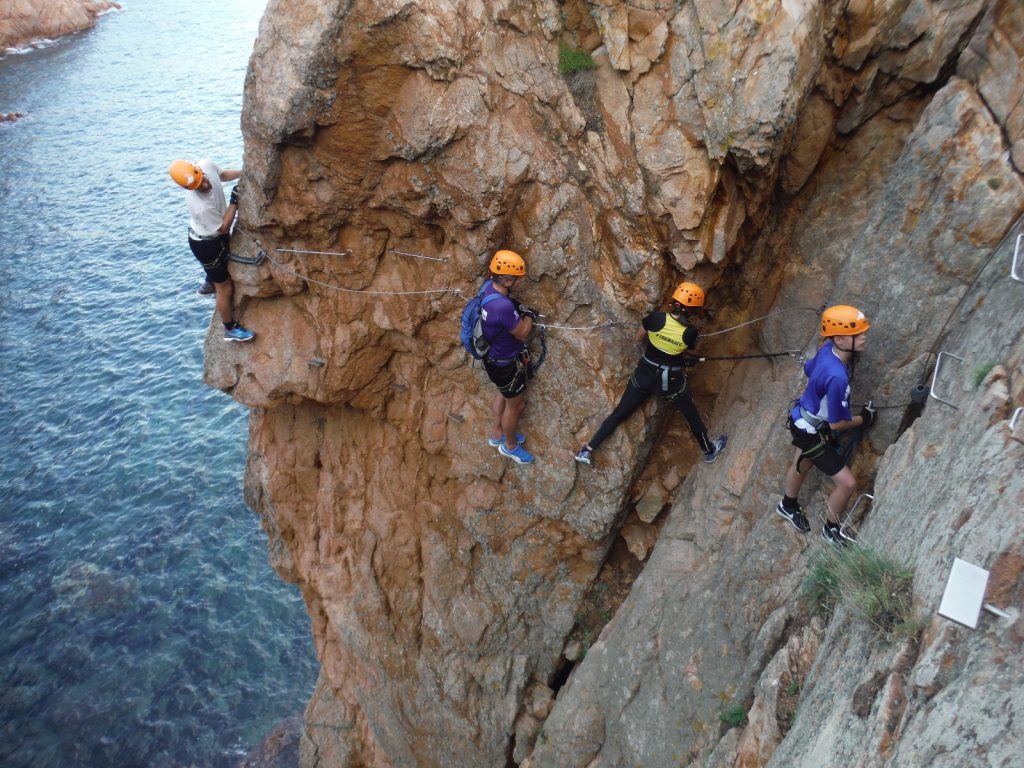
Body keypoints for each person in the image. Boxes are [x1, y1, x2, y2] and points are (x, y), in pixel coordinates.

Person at [574, 281, 727, 467]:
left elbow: (638, 338)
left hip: (644, 377)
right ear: (692, 311)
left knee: (620, 413)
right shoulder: (690, 333)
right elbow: (680, 351)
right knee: (691, 414)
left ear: (674, 302)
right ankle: (709, 450)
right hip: (670, 383)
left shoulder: (655, 318)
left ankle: (588, 449)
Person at [775, 305, 876, 545]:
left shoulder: (827, 348)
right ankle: (830, 530)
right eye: (858, 334)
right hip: (812, 430)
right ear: (840, 339)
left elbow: (810, 369)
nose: (863, 338)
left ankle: (787, 505)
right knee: (847, 483)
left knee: (803, 462)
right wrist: (865, 417)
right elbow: (837, 423)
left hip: (802, 419)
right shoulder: (838, 378)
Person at [169, 159, 255, 342]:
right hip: (206, 244)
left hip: (210, 234)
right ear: (188, 189)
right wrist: (234, 202)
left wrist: (245, 172)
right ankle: (229, 328)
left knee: (223, 256)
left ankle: (208, 283)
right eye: (199, 186)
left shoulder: (206, 164)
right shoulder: (201, 207)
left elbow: (222, 175)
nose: (205, 185)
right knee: (224, 287)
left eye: (203, 180)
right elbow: (223, 227)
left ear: (199, 169)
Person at [480, 249, 537, 464]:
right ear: (506, 278)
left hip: (492, 358)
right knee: (516, 406)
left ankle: (497, 434)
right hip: (506, 363)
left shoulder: (487, 289)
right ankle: (510, 445)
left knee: (502, 393)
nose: (521, 281)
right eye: (517, 277)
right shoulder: (502, 306)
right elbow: (522, 332)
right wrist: (528, 316)